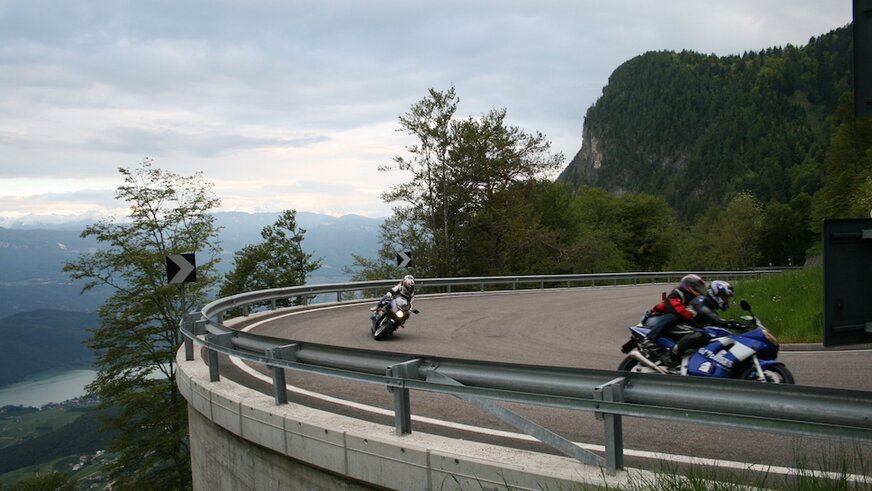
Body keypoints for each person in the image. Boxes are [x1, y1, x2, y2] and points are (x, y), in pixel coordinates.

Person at [671, 279, 739, 356]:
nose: (726, 301)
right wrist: (726, 323)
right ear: (716, 294)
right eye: (725, 297)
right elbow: (707, 313)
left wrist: (737, 326)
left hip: (691, 328)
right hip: (680, 325)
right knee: (700, 335)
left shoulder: (712, 309)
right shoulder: (701, 300)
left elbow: (714, 321)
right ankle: (674, 354)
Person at [640, 274, 706, 346]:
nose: (698, 290)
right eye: (696, 287)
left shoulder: (691, 299)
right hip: (655, 319)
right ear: (689, 286)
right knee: (673, 316)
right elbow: (676, 310)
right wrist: (693, 317)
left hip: (664, 321)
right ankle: (650, 339)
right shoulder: (676, 294)